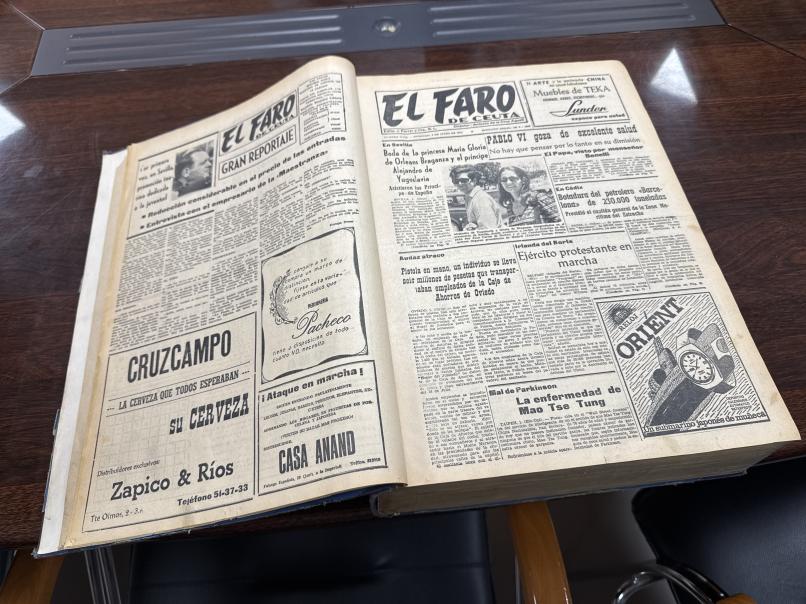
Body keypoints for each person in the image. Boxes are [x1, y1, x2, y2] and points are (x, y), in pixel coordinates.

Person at [449, 165, 507, 230]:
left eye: (464, 180)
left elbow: (488, 229)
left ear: (474, 181)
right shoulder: (470, 197)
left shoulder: (481, 199)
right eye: (456, 181)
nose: (460, 184)